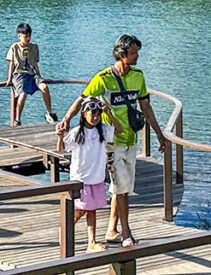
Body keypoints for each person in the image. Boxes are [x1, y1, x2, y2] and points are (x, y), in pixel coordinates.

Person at [57, 34, 168, 247]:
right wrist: (65, 119)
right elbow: (81, 99)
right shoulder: (103, 78)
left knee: (122, 187)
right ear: (122, 54)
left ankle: (111, 230)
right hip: (111, 142)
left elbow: (146, 107)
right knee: (121, 188)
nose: (137, 56)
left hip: (130, 140)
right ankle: (126, 233)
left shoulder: (138, 76)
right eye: (134, 52)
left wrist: (159, 134)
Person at [56, 96, 122, 253]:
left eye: (98, 114)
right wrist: (59, 136)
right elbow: (61, 149)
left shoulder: (103, 130)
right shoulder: (77, 132)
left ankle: (91, 242)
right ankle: (64, 230)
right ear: (83, 114)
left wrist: (109, 113)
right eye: (92, 114)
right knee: (81, 210)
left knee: (91, 209)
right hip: (81, 178)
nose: (96, 117)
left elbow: (119, 130)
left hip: (96, 177)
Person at [6, 23, 58, 126]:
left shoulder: (34, 47)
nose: (28, 39)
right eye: (26, 37)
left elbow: (35, 64)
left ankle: (49, 113)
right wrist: (9, 79)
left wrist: (40, 76)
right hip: (19, 74)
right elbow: (11, 63)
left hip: (32, 74)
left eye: (29, 36)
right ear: (19, 36)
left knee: (44, 87)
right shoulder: (15, 47)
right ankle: (17, 120)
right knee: (22, 94)